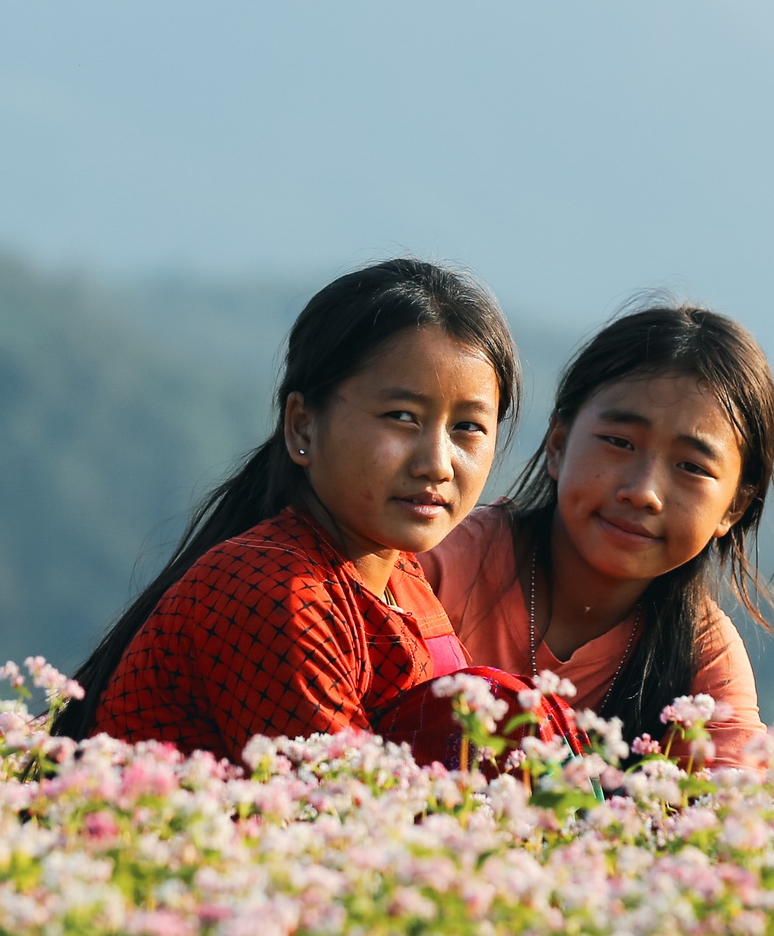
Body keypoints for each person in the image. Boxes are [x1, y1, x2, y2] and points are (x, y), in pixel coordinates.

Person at [54, 258, 520, 758]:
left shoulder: (400, 581)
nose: (437, 464)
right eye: (402, 417)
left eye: (467, 427)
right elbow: (338, 813)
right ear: (302, 426)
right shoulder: (276, 589)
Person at [422, 303, 774, 765]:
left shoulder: (703, 662)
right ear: (558, 445)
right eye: (619, 442)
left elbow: (737, 819)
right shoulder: (441, 566)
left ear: (734, 507)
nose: (643, 492)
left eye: (691, 467)